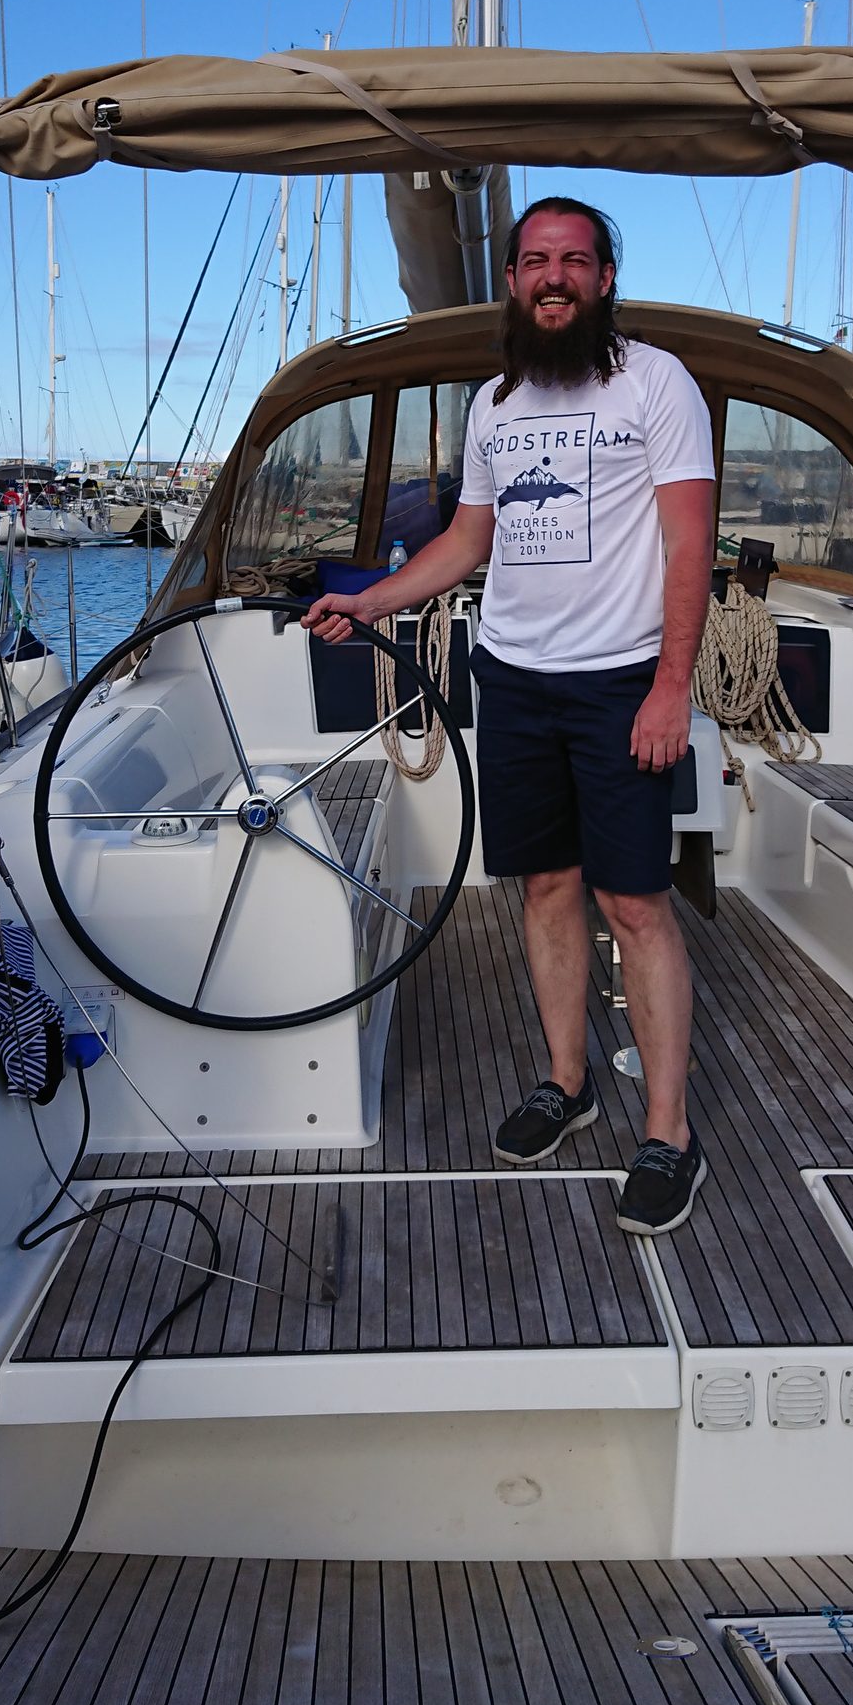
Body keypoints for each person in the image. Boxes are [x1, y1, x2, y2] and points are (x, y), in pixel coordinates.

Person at [303, 197, 715, 1235]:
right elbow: (467, 540)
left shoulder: (655, 382)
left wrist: (671, 686)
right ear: (514, 279)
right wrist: (371, 601)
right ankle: (568, 1082)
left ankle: (669, 1132)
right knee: (545, 886)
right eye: (535, 260)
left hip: (622, 681)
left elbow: (689, 542)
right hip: (516, 680)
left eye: (573, 260)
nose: (553, 277)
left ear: (605, 279)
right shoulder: (495, 404)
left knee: (635, 903)